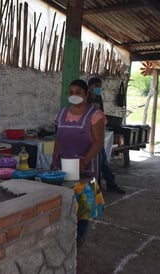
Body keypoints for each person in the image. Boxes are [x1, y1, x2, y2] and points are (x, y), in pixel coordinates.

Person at [51, 79, 106, 246]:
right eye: (71, 92)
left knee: (83, 204)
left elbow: (98, 142)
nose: (74, 95)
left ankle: (80, 237)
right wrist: (54, 159)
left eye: (78, 92)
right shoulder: (61, 114)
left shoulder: (95, 115)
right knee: (63, 199)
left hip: (86, 165)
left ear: (86, 94)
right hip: (63, 164)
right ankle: (63, 231)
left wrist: (84, 161)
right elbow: (58, 139)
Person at [88, 77, 126, 194]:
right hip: (89, 134)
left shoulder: (99, 98)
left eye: (100, 86)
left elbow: (101, 114)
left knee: (103, 160)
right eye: (96, 86)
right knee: (97, 162)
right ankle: (98, 185)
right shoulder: (86, 99)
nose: (98, 89)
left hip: (98, 133)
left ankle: (110, 184)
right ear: (89, 87)